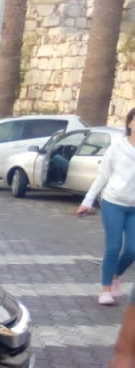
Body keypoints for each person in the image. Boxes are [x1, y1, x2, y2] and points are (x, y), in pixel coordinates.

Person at [78, 107, 135, 305]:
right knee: (113, 247)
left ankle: (115, 275)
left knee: (132, 249)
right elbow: (103, 176)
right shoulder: (117, 147)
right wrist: (87, 201)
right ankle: (106, 290)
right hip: (113, 203)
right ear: (130, 123)